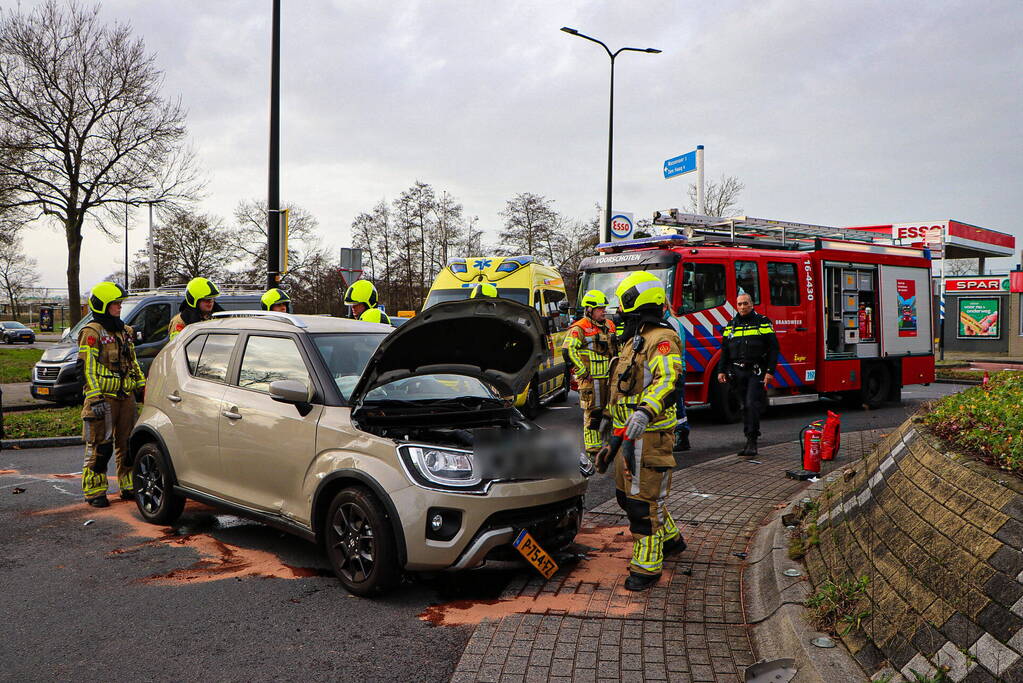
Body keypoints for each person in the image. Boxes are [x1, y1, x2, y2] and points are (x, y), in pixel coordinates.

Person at [601, 271, 685, 592]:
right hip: (629, 436)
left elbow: (668, 380)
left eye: (624, 310)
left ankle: (647, 566)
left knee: (642, 503)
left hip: (651, 437)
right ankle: (671, 539)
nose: (620, 316)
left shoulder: (660, 340)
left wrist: (646, 411)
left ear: (638, 307)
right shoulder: (634, 342)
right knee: (626, 497)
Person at [78, 282, 146, 508]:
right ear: (103, 305)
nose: (119, 307)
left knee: (127, 445)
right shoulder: (91, 332)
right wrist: (95, 397)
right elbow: (86, 368)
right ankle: (94, 490)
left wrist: (142, 387)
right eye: (115, 304)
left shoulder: (125, 331)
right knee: (100, 446)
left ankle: (128, 486)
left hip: (125, 396)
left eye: (119, 304)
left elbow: (133, 362)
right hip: (103, 399)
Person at [716, 292, 779, 457]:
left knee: (751, 404)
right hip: (737, 372)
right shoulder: (731, 324)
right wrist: (721, 370)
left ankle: (753, 442)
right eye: (739, 304)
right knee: (743, 406)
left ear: (752, 304)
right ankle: (748, 440)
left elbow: (773, 348)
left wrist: (770, 371)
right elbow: (724, 350)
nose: (742, 307)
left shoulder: (762, 322)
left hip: (755, 371)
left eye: (745, 303)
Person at [562, 289, 617, 463]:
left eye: (604, 308)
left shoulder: (610, 325)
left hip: (609, 378)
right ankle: (594, 451)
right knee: (593, 413)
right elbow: (568, 350)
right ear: (589, 310)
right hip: (591, 380)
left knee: (612, 411)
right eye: (600, 308)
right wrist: (582, 371)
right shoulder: (579, 328)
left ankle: (609, 445)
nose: (603, 311)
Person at [662, 306, 690, 452]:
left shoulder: (671, 322)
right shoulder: (664, 321)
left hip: (677, 369)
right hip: (671, 369)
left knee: (678, 405)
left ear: (664, 306)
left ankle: (683, 437)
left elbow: (678, 347)